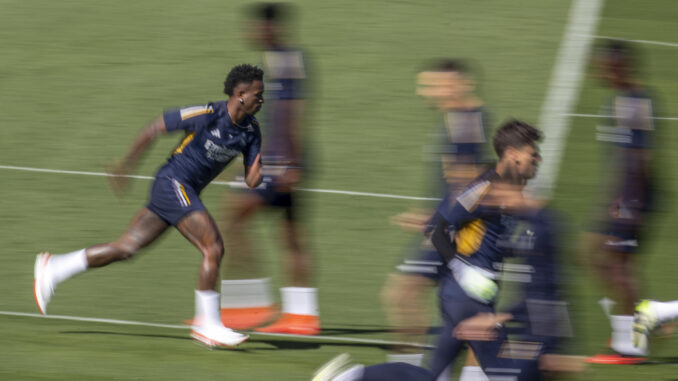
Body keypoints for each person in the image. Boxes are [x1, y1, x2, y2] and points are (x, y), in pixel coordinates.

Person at [33, 64, 265, 348]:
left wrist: (258, 170)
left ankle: (54, 267)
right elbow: (156, 127)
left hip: (182, 192)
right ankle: (208, 324)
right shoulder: (208, 114)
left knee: (126, 249)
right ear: (240, 94)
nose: (262, 100)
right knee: (213, 247)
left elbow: (253, 179)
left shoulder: (252, 131)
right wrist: (127, 164)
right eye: (258, 94)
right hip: (172, 183)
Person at [313, 120, 566, 381]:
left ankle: (357, 376)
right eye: (532, 152)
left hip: (468, 296)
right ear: (512, 153)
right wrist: (462, 269)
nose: (538, 158)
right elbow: (437, 228)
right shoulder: (484, 188)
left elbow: (494, 239)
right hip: (468, 297)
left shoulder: (513, 193)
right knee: (512, 375)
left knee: (432, 377)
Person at [382, 59, 490, 380]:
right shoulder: (461, 117)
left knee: (401, 295)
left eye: (434, 85)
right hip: (453, 227)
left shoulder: (465, 122)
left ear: (459, 84)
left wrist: (437, 220)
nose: (426, 92)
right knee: (458, 316)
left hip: (453, 231)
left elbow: (468, 183)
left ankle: (411, 375)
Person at [218, 2, 317, 335]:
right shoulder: (277, 60)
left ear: (271, 28)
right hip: (278, 158)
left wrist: (292, 161)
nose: (252, 32)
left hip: (280, 161)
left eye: (257, 27)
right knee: (290, 234)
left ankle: (254, 304)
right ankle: (303, 315)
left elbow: (295, 112)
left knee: (233, 218)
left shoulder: (285, 60)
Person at [583, 40, 657, 360]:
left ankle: (632, 341)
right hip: (622, 196)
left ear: (619, 67)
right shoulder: (620, 99)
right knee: (592, 253)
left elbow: (643, 160)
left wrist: (629, 204)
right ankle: (639, 323)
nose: (599, 71)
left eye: (604, 66)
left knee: (619, 266)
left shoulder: (636, 103)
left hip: (632, 199)